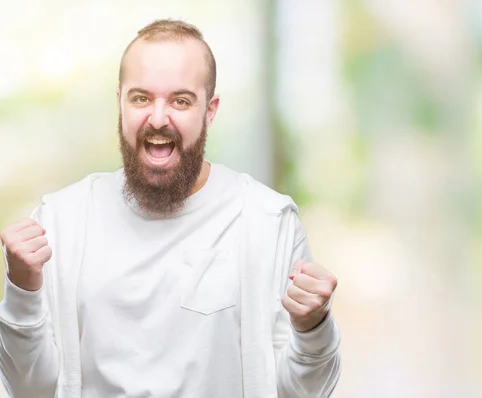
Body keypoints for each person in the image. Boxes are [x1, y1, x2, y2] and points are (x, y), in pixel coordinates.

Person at [0, 19, 340, 398]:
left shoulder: (267, 222)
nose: (158, 118)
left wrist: (313, 327)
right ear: (120, 103)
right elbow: (28, 391)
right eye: (141, 98)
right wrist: (22, 292)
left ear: (210, 111)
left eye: (180, 100)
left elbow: (304, 394)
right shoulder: (60, 221)